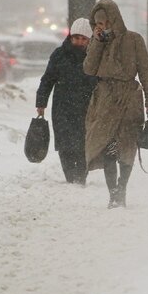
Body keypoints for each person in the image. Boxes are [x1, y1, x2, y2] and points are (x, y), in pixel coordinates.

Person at [83, 0, 148, 209]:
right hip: (105, 100)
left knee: (127, 146)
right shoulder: (97, 42)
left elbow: (146, 71)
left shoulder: (134, 40)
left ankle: (122, 187)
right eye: (97, 23)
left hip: (129, 99)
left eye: (105, 22)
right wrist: (97, 42)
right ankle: (113, 193)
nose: (102, 27)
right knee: (108, 146)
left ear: (113, 19)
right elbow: (88, 69)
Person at [36, 17, 97, 185]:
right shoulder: (59, 55)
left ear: (89, 39)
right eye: (76, 37)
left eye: (83, 38)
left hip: (87, 107)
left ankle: (81, 177)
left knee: (83, 143)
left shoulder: (94, 57)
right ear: (70, 36)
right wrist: (41, 102)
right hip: (63, 107)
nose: (79, 42)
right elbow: (48, 79)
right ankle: (70, 178)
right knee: (65, 143)